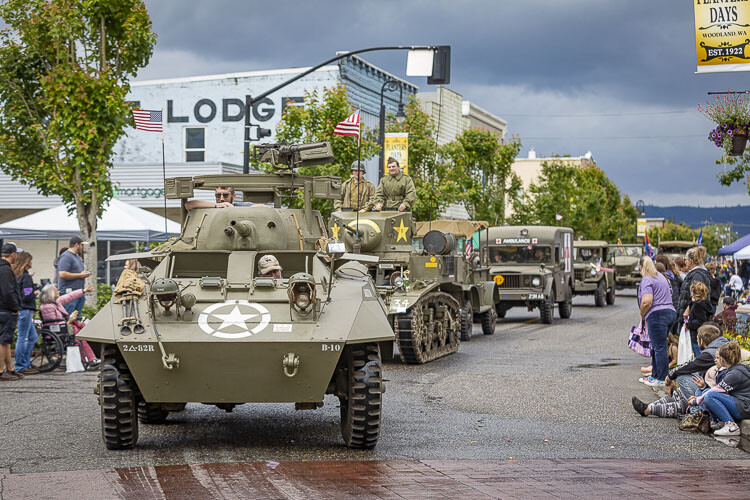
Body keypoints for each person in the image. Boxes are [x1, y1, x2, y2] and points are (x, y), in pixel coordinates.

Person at [632, 324, 728, 419]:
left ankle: (695, 414)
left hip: (712, 394)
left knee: (683, 380)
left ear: (701, 341)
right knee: (681, 394)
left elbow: (689, 366)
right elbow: (690, 365)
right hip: (711, 391)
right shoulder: (718, 348)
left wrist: (670, 376)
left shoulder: (709, 354)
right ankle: (649, 408)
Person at [689, 342, 750, 436]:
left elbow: (716, 390)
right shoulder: (736, 370)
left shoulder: (735, 374)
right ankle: (718, 422)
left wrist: (695, 401)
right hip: (742, 405)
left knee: (709, 396)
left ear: (722, 359)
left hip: (745, 407)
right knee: (706, 392)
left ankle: (731, 426)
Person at [637, 256, 676, 386]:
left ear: (642, 267)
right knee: (657, 346)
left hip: (657, 314)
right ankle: (654, 376)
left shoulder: (647, 279)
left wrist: (642, 314)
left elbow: (647, 301)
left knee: (659, 347)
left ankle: (661, 378)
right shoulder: (660, 276)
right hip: (670, 312)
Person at [38, 283, 99, 367]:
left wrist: (83, 291)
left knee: (83, 329)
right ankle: (89, 359)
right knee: (78, 334)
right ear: (50, 294)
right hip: (56, 329)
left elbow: (69, 296)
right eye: (55, 291)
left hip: (62, 327)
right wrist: (68, 322)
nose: (58, 292)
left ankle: (90, 358)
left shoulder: (56, 302)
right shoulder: (47, 307)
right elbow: (53, 322)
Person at [12, 252, 39, 375]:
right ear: (26, 262)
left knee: (32, 337)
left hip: (20, 308)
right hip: (26, 309)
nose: (32, 263)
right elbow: (27, 295)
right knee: (23, 337)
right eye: (30, 261)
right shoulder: (26, 277)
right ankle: (21, 365)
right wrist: (35, 293)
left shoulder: (16, 275)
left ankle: (25, 362)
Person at [0, 242, 22, 381]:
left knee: (6, 341)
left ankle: (10, 368)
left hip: (2, 308)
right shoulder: (6, 270)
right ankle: (1, 370)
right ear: (13, 254)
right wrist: (15, 307)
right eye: (16, 254)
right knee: (3, 341)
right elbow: (7, 292)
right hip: (6, 309)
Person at [677, 246, 711, 337]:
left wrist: (687, 310)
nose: (685, 261)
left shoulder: (697, 275)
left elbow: (698, 296)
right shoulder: (695, 274)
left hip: (693, 319)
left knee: (692, 347)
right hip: (691, 318)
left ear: (691, 261)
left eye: (686, 259)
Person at [57, 236, 91, 318]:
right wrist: (80, 275)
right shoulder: (66, 256)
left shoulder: (77, 257)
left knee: (76, 319)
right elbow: (62, 274)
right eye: (81, 245)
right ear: (77, 245)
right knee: (68, 318)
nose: (82, 248)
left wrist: (83, 274)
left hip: (79, 293)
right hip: (69, 294)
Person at [687, 282, 712, 358]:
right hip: (704, 336)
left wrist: (688, 324)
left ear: (694, 292)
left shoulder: (698, 305)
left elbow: (700, 321)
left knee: (698, 357)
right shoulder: (705, 303)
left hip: (697, 336)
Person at [185, 186, 257, 211]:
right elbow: (188, 205)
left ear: (233, 196)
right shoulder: (211, 207)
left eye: (225, 195)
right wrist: (216, 206)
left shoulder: (240, 206)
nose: (222, 199)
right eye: (218, 195)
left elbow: (262, 207)